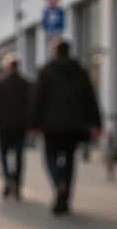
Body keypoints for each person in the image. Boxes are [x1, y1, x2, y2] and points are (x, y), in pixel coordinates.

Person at [30, 38, 102, 216]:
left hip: (51, 126)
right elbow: (90, 99)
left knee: (51, 157)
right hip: (75, 126)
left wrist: (33, 124)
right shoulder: (80, 72)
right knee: (69, 160)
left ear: (54, 52)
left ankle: (59, 184)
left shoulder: (46, 72)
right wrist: (96, 123)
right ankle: (66, 195)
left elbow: (37, 100)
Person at [0, 53, 31, 200]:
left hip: (3, 127)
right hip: (20, 127)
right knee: (18, 155)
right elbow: (31, 107)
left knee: (3, 154)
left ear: (6, 68)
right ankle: (17, 182)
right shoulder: (26, 84)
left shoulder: (0, 85)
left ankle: (7, 177)